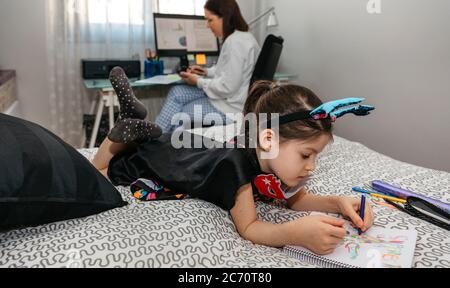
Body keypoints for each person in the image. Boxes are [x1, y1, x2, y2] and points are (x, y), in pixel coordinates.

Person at [92, 67, 374, 256]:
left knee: (159, 139)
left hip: (194, 147)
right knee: (106, 171)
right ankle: (126, 127)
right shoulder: (238, 168)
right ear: (268, 139)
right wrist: (295, 233)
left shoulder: (272, 159)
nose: (311, 166)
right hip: (169, 162)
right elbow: (249, 228)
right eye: (305, 155)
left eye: (316, 156)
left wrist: (338, 203)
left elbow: (297, 200)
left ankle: (141, 126)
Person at [155, 0, 261, 133]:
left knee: (179, 114)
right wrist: (205, 72)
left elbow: (227, 87)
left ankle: (154, 140)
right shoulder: (240, 38)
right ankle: (157, 138)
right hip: (229, 101)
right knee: (177, 92)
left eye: (210, 20)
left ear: (225, 17)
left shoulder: (236, 43)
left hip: (230, 109)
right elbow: (227, 70)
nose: (207, 25)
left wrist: (198, 81)